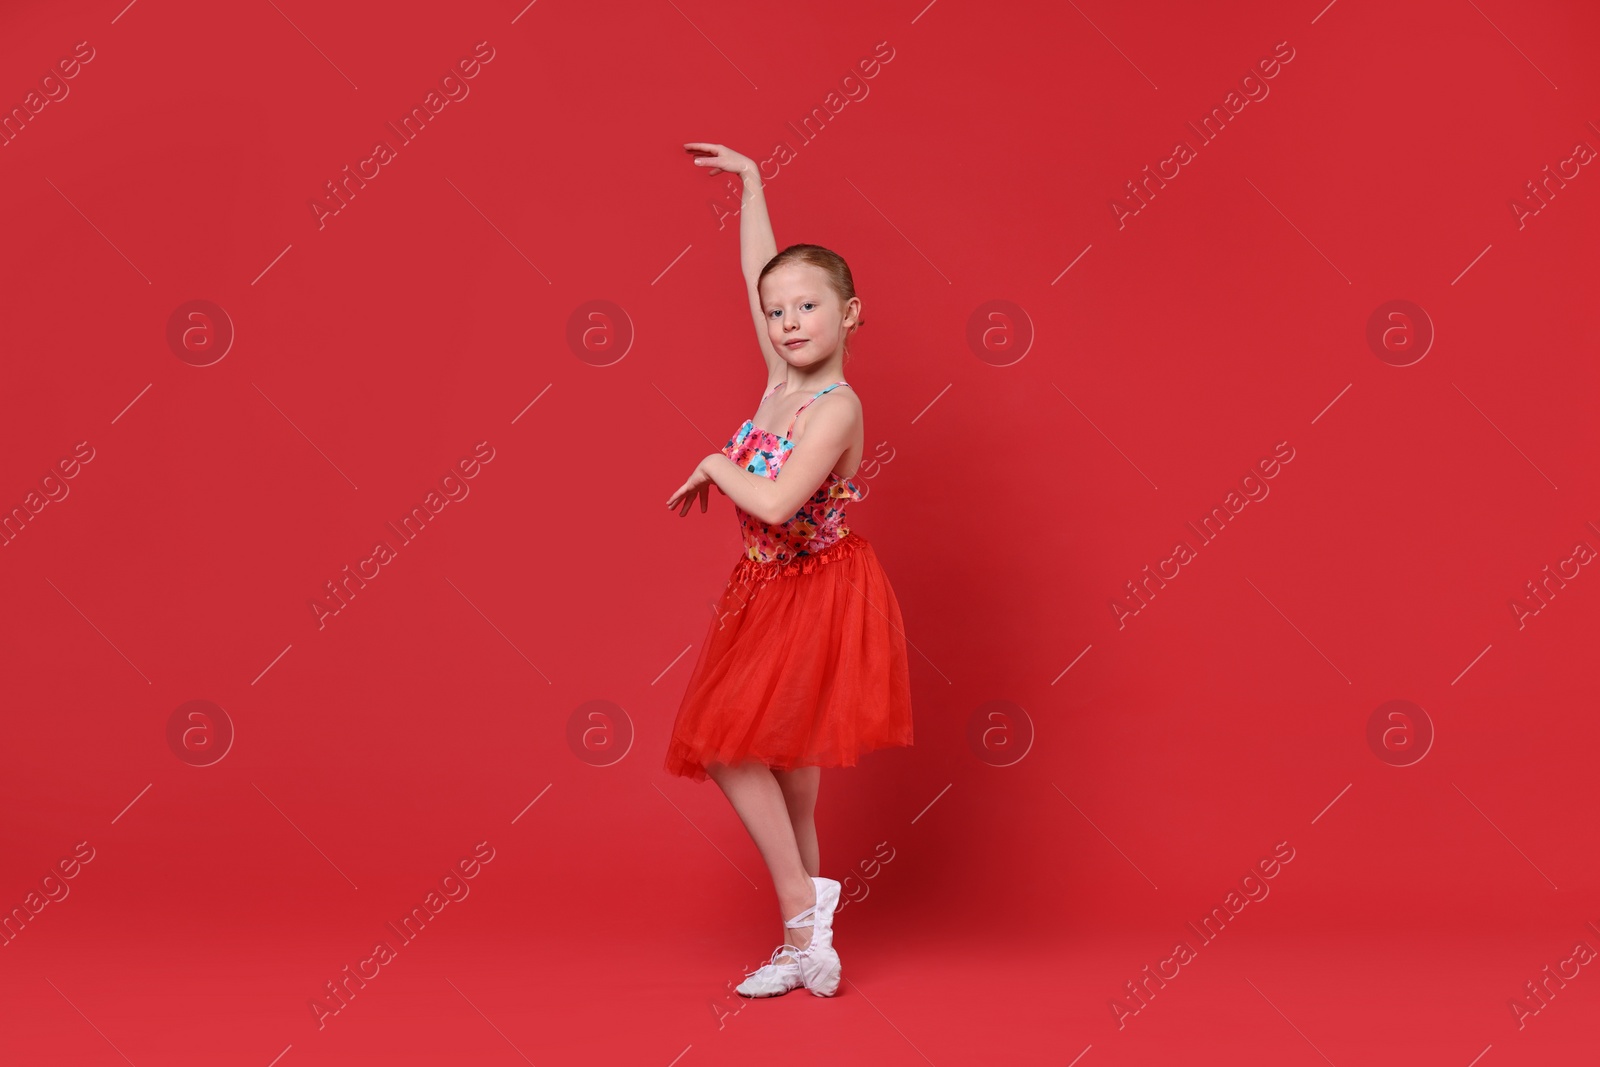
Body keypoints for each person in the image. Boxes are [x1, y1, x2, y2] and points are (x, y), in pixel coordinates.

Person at [663, 142, 914, 999]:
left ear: (850, 314)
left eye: (809, 306)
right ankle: (809, 948)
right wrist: (753, 186)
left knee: (729, 749)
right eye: (779, 313)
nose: (789, 321)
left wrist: (711, 459)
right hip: (764, 590)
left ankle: (803, 899)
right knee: (793, 786)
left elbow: (775, 504)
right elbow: (757, 275)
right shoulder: (778, 378)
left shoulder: (835, 407)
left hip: (820, 590)